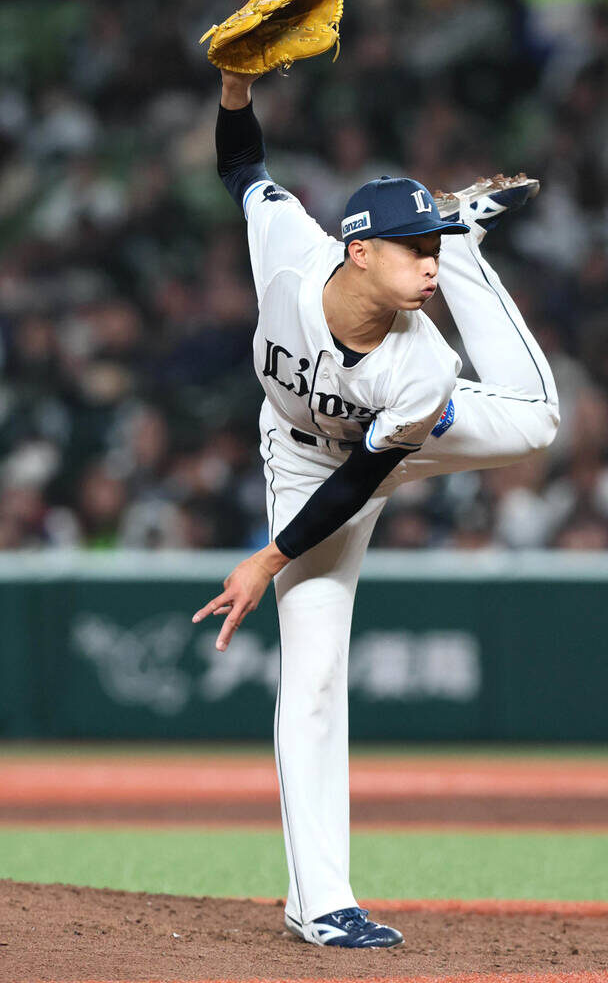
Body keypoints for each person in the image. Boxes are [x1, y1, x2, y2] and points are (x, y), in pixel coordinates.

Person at [192, 69, 560, 948]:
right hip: (299, 454)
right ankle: (320, 903)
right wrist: (235, 90)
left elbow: (363, 479)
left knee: (537, 420)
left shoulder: (422, 362)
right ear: (359, 249)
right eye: (417, 248)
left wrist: (265, 558)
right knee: (314, 672)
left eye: (433, 246)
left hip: (385, 441)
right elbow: (244, 167)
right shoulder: (288, 245)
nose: (421, 264)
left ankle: (480, 245)